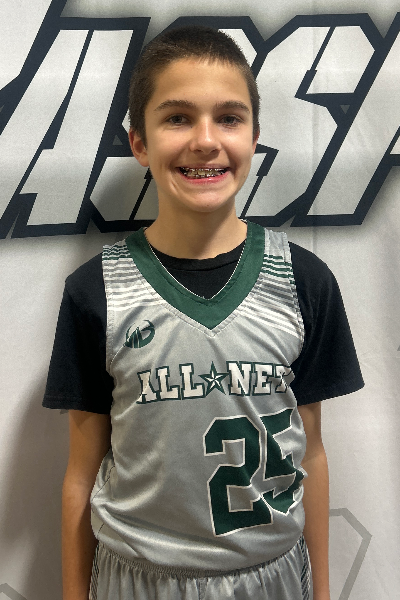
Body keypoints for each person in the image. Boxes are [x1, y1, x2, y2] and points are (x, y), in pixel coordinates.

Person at [43, 26, 364, 600]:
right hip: (136, 578)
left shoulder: (304, 281)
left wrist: (321, 591)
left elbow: (311, 452)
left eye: (229, 118)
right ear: (139, 143)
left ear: (255, 137)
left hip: (272, 576)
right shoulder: (95, 291)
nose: (206, 140)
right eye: (177, 118)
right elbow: (81, 473)